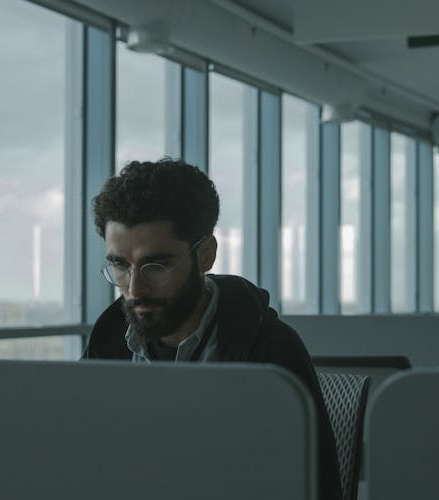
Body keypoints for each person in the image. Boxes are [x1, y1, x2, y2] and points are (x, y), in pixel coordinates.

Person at [82, 158, 342, 500]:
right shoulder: (110, 340)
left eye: (156, 266)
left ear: (205, 255)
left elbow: (315, 488)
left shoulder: (271, 351)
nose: (134, 289)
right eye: (120, 265)